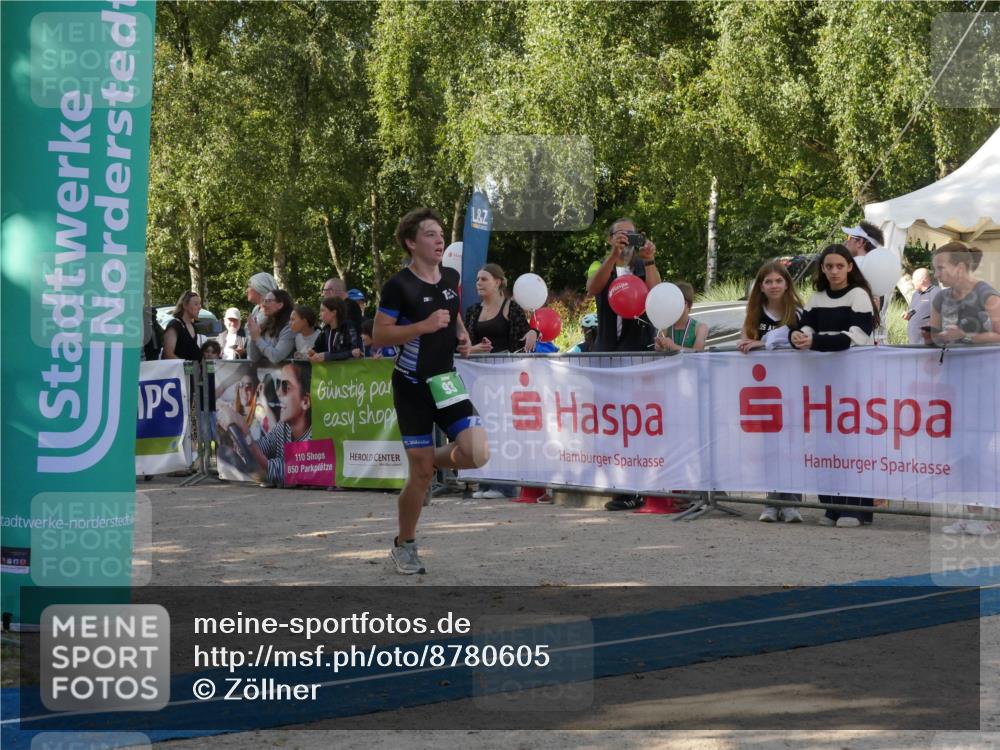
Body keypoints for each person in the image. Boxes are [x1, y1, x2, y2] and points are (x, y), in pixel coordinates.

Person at [372, 207, 489, 574]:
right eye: (429, 234)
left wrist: (461, 333)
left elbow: (450, 309)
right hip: (411, 385)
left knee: (477, 453)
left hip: (446, 380)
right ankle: (404, 545)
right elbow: (379, 335)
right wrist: (422, 326)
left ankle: (429, 461)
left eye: (440, 234)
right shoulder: (399, 285)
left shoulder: (450, 277)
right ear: (411, 243)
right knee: (420, 479)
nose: (439, 240)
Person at [791, 244, 877, 528]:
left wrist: (815, 342)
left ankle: (857, 507)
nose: (834, 271)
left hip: (852, 381)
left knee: (851, 443)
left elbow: (856, 337)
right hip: (820, 381)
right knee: (824, 442)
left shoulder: (859, 295)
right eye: (829, 266)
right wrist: (799, 337)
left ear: (850, 267)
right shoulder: (816, 297)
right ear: (823, 268)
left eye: (840, 266)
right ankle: (831, 505)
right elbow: (806, 327)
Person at [737, 261, 805, 522]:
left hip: (793, 387)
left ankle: (791, 503)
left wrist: (762, 343)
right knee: (770, 445)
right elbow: (744, 340)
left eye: (778, 281)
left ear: (787, 283)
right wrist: (751, 344)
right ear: (761, 287)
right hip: (764, 389)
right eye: (768, 282)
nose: (774, 285)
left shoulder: (797, 313)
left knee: (792, 445)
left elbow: (801, 342)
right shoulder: (754, 313)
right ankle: (771, 501)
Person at [217, 361, 312, 487]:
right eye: (278, 384)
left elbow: (280, 471)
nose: (278, 392)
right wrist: (240, 438)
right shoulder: (284, 427)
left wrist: (245, 433)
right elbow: (262, 448)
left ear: (305, 402)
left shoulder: (315, 437)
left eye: (286, 387)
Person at [586, 217, 661, 353]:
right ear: (610, 239)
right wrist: (614, 255)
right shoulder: (599, 265)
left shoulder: (645, 266)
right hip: (607, 350)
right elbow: (592, 289)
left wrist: (649, 260)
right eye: (621, 233)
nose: (626, 238)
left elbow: (657, 296)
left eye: (630, 234)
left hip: (640, 350)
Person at [930, 243, 1000, 348]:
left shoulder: (988, 296)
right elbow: (933, 337)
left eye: (940, 268)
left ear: (960, 268)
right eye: (935, 269)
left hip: (985, 364)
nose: (936, 275)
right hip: (949, 363)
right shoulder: (940, 298)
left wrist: (965, 336)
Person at [464, 263, 538, 356]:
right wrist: (472, 349)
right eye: (477, 279)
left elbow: (525, 332)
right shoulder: (472, 311)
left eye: (484, 279)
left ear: (497, 282)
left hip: (505, 368)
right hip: (476, 367)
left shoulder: (512, 308)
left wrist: (533, 332)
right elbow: (460, 345)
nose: (478, 283)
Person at [654, 282, 708, 352]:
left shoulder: (700, 328)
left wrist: (673, 346)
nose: (673, 305)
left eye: (677, 301)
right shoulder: (665, 326)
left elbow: (697, 352)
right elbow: (659, 353)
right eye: (671, 302)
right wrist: (659, 347)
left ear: (687, 304)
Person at [246, 289, 296, 365]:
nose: (263, 305)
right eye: (264, 301)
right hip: (265, 374)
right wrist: (253, 336)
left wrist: (257, 338)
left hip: (286, 375)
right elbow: (254, 357)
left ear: (280, 305)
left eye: (268, 301)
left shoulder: (290, 327)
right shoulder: (265, 325)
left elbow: (276, 357)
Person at [309, 297, 362, 363]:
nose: (320, 314)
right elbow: (317, 348)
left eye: (322, 310)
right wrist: (313, 352)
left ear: (334, 313)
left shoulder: (348, 327)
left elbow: (354, 351)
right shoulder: (325, 330)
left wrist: (328, 356)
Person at [902, 268, 940, 345]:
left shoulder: (936, 292)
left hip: (927, 344)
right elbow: (914, 311)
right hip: (913, 343)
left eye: (914, 279)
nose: (912, 282)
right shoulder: (915, 294)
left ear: (923, 280)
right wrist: (908, 314)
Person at [162, 291, 203, 361]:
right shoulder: (175, 325)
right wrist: (188, 366)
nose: (199, 307)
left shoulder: (193, 326)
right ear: (185, 305)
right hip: (178, 371)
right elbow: (168, 355)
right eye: (196, 304)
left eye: (200, 304)